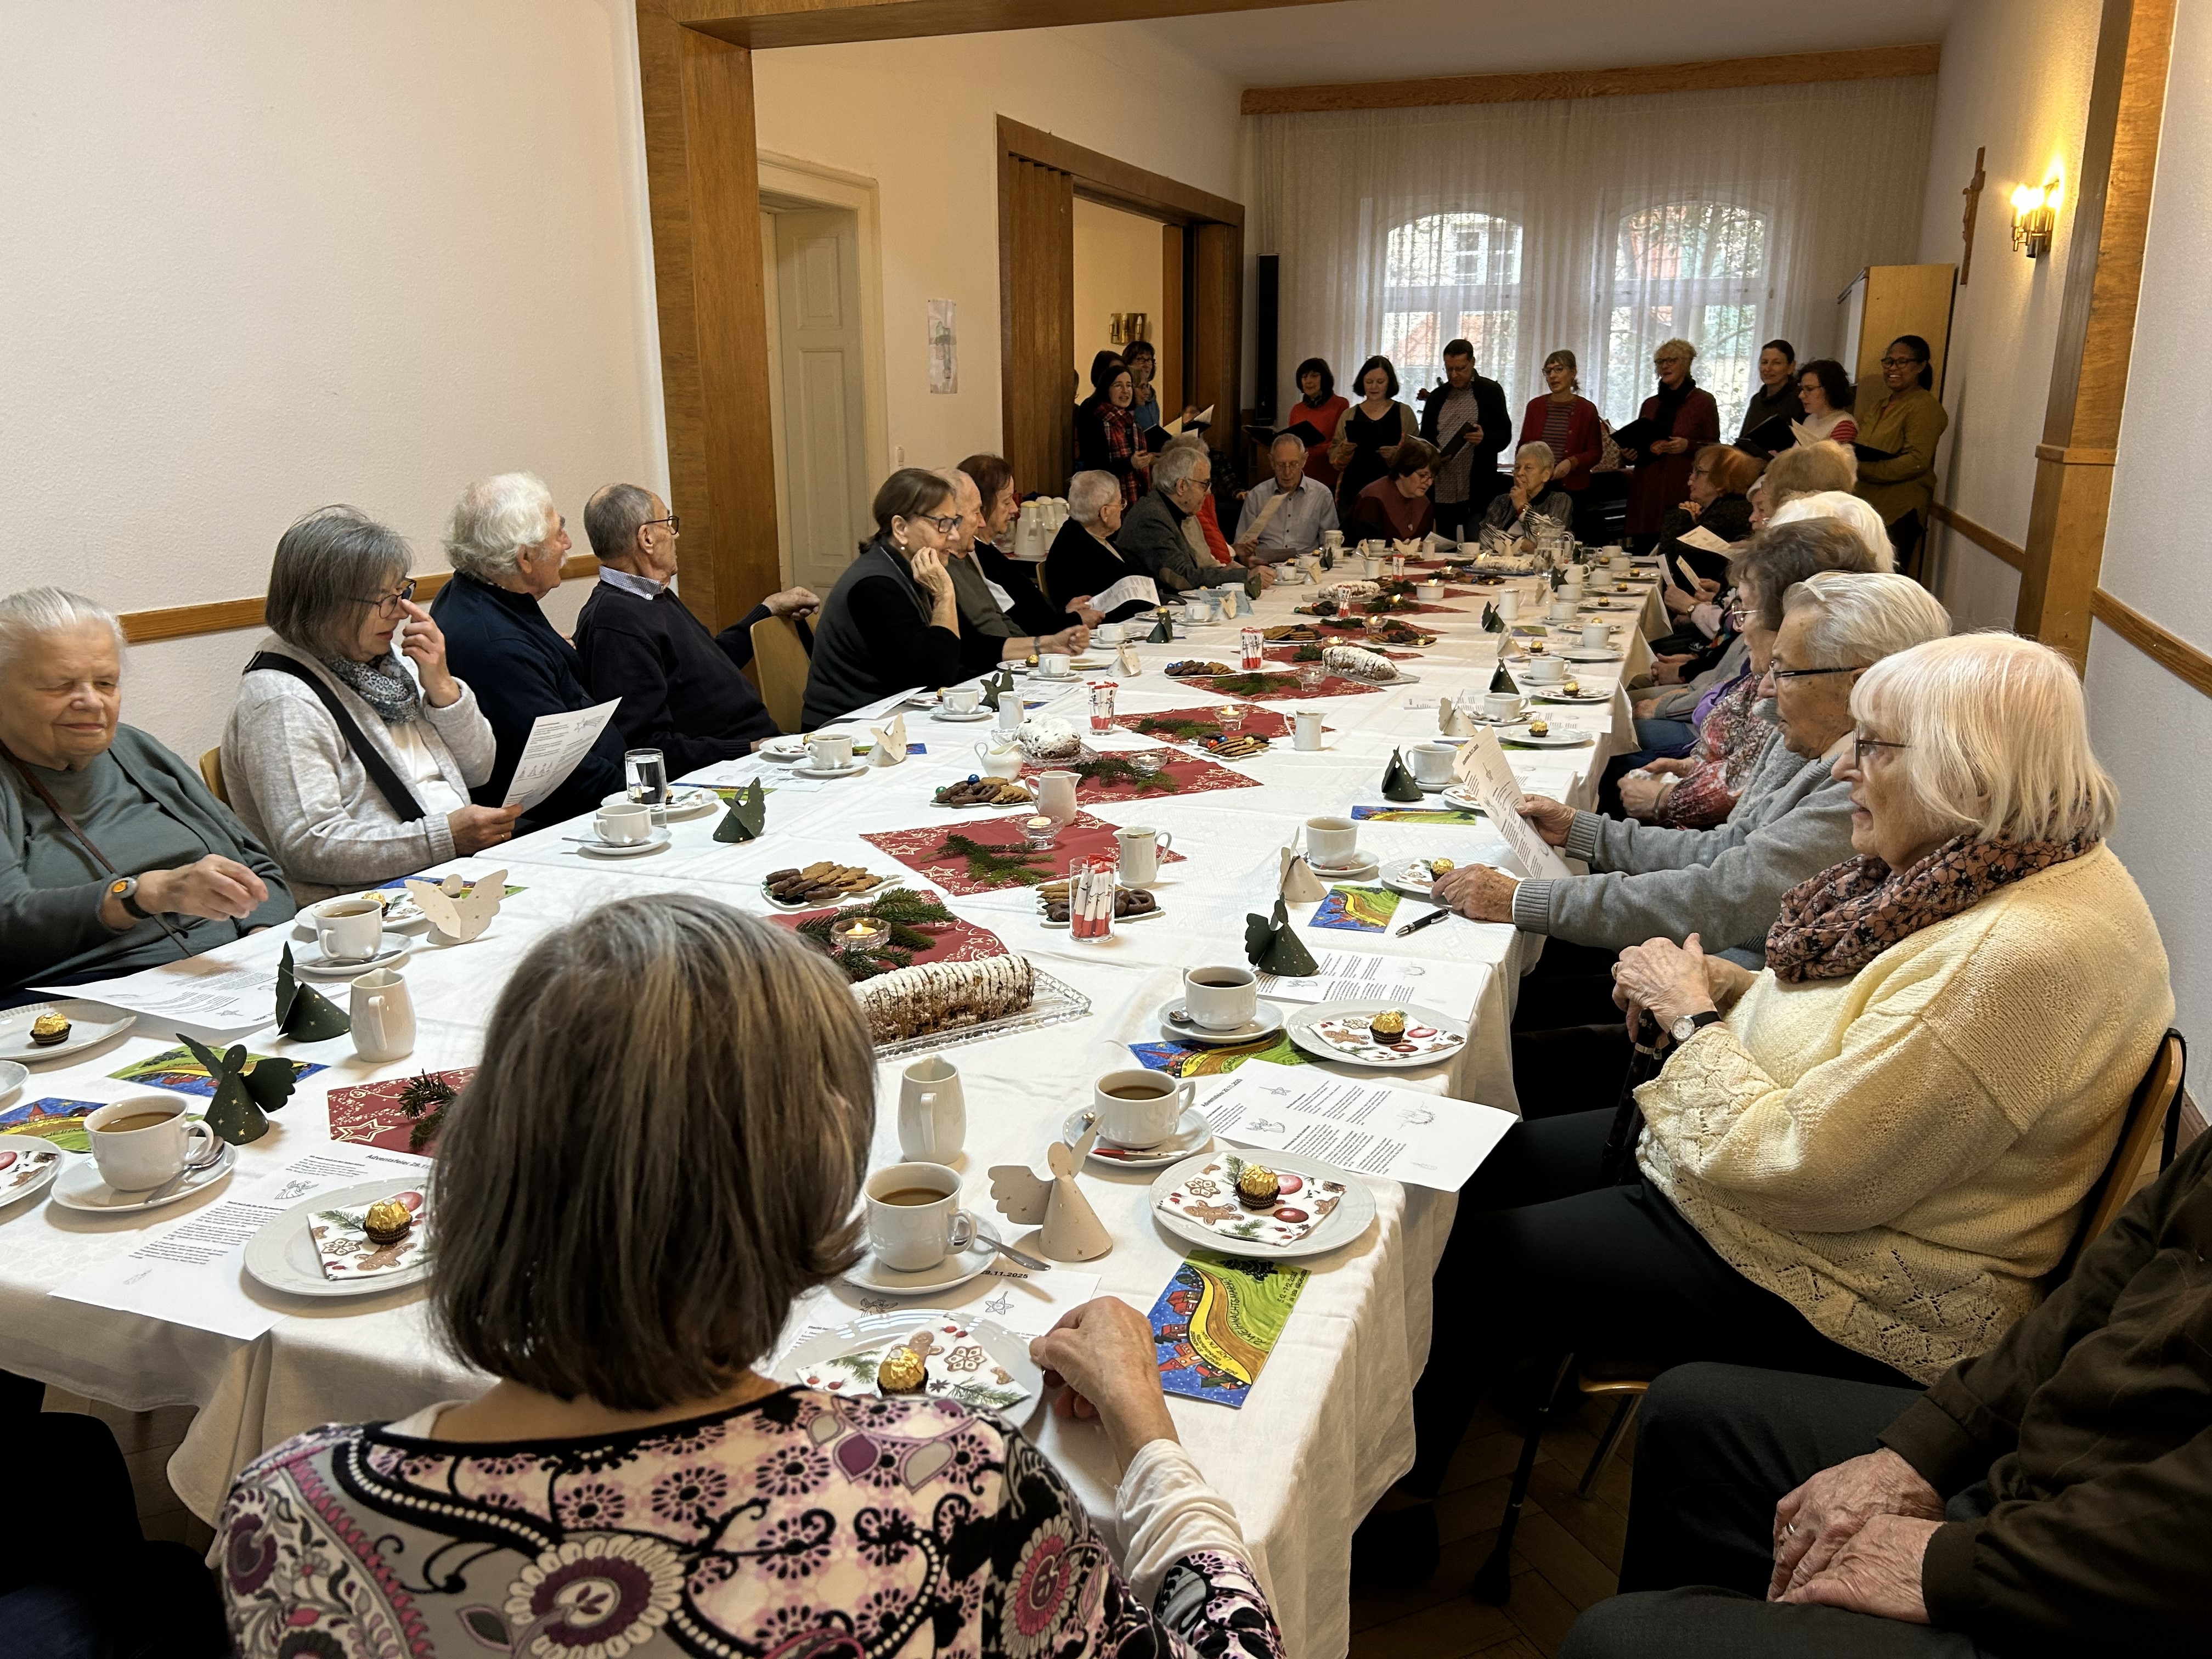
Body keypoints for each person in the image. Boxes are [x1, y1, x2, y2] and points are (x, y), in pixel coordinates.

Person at [217, 894, 1284, 1659]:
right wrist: (1149, 1441)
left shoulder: (289, 1513)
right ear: (813, 1183)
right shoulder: (945, 1489)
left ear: (488, 1153)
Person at [1386, 634, 2171, 1588]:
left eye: (1872, 746)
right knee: (1478, 1159)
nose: (1840, 765)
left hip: (1842, 1271)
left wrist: (1691, 1018)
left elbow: (1808, 1166)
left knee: (1468, 1257)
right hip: (1762, 1177)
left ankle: (1401, 1509)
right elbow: (1862, 1032)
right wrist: (1729, 985)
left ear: (1965, 770)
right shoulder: (1999, 862)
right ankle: (1443, 1431)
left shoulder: (2014, 956)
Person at [1571, 1130, 2212, 1655]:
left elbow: (1812, 1161)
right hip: (2043, 1473)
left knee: (1617, 1641)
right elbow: (2103, 1281)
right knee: (1691, 1416)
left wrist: (1953, 1565)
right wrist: (1924, 1452)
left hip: (2125, 1592)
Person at [1435, 572, 1952, 972]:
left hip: (1731, 973)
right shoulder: (1822, 740)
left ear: (1858, 684)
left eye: (1784, 671)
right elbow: (1729, 850)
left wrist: (1521, 899)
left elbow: (1721, 897)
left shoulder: (1868, 787)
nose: (1762, 687)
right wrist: (1582, 831)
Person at [1, 587, 295, 995]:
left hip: (230, 976)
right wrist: (142, 894)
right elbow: (8, 925)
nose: (91, 702)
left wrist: (260, 945)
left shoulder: (135, 748)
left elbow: (258, 870)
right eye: (60, 685)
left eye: (106, 683)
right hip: (82, 1003)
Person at [224, 506, 512, 904]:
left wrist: (443, 686)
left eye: (402, 592)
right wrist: (444, 837)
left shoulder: (392, 665)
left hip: (450, 873)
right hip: (366, 905)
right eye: (384, 600)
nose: (402, 611)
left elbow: (480, 769)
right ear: (326, 606)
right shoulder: (283, 701)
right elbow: (310, 846)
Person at [572, 484, 817, 776]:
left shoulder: (651, 596)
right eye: (668, 523)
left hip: (757, 751)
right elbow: (648, 748)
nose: (675, 534)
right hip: (728, 770)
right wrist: (750, 748)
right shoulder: (615, 622)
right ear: (647, 538)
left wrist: (768, 608)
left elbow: (709, 664)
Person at [430, 472, 628, 832]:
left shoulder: (478, 593)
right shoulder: (495, 645)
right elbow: (562, 772)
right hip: (565, 824)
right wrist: (644, 800)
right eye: (558, 532)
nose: (567, 543)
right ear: (524, 558)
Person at [802, 469, 966, 728]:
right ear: (901, 528)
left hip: (890, 718)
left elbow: (954, 658)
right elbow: (937, 675)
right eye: (942, 523)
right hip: (847, 728)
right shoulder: (874, 585)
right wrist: (945, 596)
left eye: (954, 522)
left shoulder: (910, 568)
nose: (954, 535)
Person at [936, 468, 1090, 675]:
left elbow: (1002, 620)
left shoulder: (967, 557)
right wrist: (1043, 646)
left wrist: (1043, 648)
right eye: (976, 512)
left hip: (1011, 665)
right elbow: (968, 648)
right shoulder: (939, 568)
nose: (981, 522)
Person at [957, 453, 1091, 635]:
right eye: (1006, 502)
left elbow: (1029, 609)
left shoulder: (987, 551)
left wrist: (1064, 613)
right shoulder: (975, 557)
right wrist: (1074, 620)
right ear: (982, 506)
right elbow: (1021, 624)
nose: (1014, 509)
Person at [1118, 445, 1273, 595]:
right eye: (1204, 484)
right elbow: (1181, 578)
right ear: (1181, 486)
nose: (1208, 492)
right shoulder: (1152, 517)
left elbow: (1193, 569)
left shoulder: (1169, 510)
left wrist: (1230, 571)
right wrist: (1244, 576)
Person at [1853, 335, 1949, 577]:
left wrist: (1863, 469)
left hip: (1899, 510)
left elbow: (1916, 462)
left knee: (1885, 581)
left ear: (1920, 366)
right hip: (1868, 505)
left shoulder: (1925, 407)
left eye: (1902, 362)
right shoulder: (1880, 406)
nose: (1892, 368)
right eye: (1888, 362)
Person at [1626, 338, 1721, 544]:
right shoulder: (1650, 404)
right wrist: (1629, 453)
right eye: (1660, 362)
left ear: (1686, 364)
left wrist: (1688, 446)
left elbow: (1714, 448)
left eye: (1671, 360)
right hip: (1647, 486)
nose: (1665, 366)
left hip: (1681, 483)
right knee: (1644, 548)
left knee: (1676, 544)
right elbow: (1640, 442)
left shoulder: (1703, 402)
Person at [1418, 337, 1512, 539]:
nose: (1454, 375)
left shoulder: (1491, 392)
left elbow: (1505, 436)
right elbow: (1425, 439)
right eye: (1449, 369)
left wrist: (1484, 439)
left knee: (1475, 544)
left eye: (1460, 369)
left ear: (1472, 363)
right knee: (1443, 544)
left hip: (1477, 486)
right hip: (1442, 484)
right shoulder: (1437, 397)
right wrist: (1433, 456)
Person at [1046, 471, 1156, 623]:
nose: (1122, 509)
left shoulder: (1094, 535)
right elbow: (1112, 607)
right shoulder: (1074, 549)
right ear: (1105, 512)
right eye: (1120, 503)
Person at [1327, 354, 1418, 515]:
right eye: (1369, 382)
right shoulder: (1349, 414)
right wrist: (1344, 450)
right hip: (1354, 490)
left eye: (1380, 382)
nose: (1374, 387)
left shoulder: (1404, 413)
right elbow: (1333, 457)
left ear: (1390, 383)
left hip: (1393, 490)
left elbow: (1418, 453)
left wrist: (1397, 455)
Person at [1234, 431, 1340, 563]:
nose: (1287, 472)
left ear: (1304, 460)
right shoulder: (1257, 496)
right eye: (1281, 465)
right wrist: (1248, 559)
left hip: (1307, 566)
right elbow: (1241, 547)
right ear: (1272, 462)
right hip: (1264, 566)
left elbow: (1330, 545)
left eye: (1294, 464)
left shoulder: (1322, 495)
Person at [1521, 349, 1603, 501]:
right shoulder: (1535, 406)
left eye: (1559, 369)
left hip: (1572, 489)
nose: (1553, 376)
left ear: (1573, 372)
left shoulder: (1587, 409)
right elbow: (1524, 447)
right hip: (1537, 486)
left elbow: (1595, 452)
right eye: (1548, 371)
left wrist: (1571, 463)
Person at [1073, 357, 1151, 508]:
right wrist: (1131, 463)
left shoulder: (1132, 423)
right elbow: (1096, 467)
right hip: (1103, 499)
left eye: (1129, 385)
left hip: (1134, 499)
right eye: (1118, 385)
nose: (1125, 391)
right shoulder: (1096, 418)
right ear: (1106, 389)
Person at [1479, 442, 1574, 549]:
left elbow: (1552, 540)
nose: (1520, 473)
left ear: (1546, 475)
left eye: (1528, 468)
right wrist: (1526, 545)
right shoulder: (1503, 500)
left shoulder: (1559, 500)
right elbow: (1485, 536)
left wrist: (1522, 508)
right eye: (1517, 468)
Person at [1348, 437, 1438, 543]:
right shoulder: (1372, 499)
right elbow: (1362, 545)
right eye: (1422, 475)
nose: (1429, 483)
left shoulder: (1425, 505)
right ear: (1403, 471)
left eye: (1431, 477)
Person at [1285, 356, 1350, 490]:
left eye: (1314, 376)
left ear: (1324, 378)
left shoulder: (1340, 404)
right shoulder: (1297, 409)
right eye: (1304, 377)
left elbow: (1338, 444)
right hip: (1300, 477)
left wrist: (1308, 451)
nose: (1308, 381)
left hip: (1329, 478)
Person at [1735, 337, 1802, 445]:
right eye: (1764, 362)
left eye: (1776, 363)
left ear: (1791, 367)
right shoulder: (1756, 400)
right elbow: (1744, 440)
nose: (1768, 369)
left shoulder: (1800, 398)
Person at [1795, 357, 1858, 445]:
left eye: (1809, 389)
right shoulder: (1810, 419)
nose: (1801, 395)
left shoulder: (1844, 425)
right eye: (1802, 389)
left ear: (1829, 389)